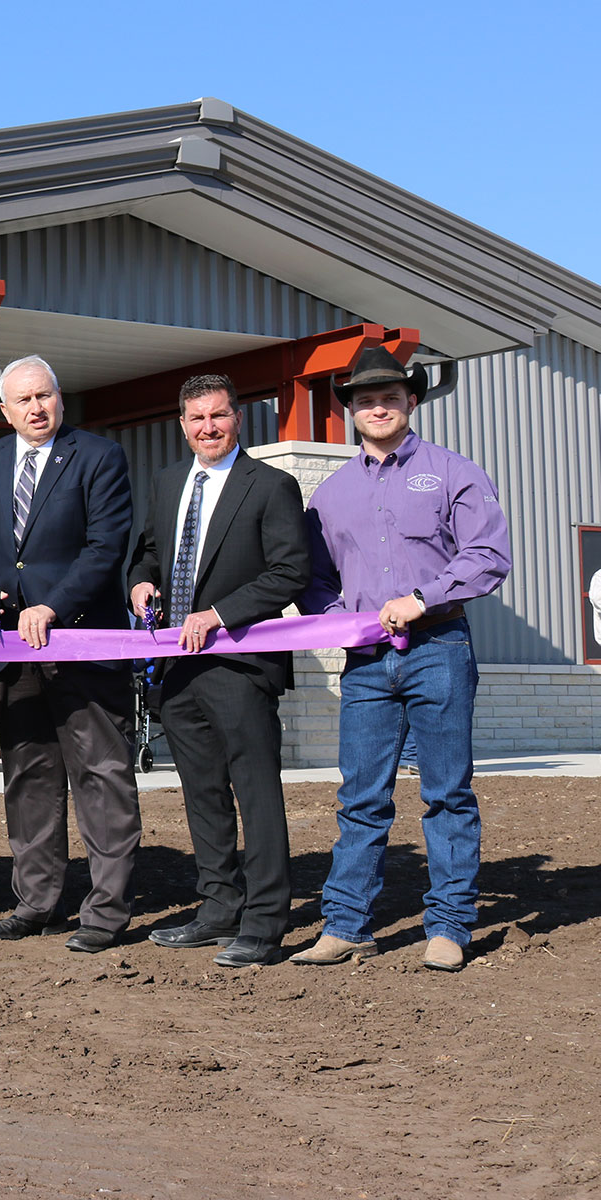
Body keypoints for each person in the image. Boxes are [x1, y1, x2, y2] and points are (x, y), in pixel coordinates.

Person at [294, 346, 511, 972]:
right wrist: (341, 620)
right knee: (360, 796)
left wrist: (422, 598)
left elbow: (487, 555)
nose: (377, 406)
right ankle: (345, 925)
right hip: (365, 662)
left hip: (439, 647)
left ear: (410, 400)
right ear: (350, 412)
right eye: (365, 399)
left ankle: (449, 926)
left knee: (446, 792)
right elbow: (315, 578)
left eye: (389, 396)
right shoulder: (331, 495)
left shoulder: (453, 473)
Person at [0, 355, 140, 953]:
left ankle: (106, 911)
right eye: (24, 400)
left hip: (82, 643)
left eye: (46, 396)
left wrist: (54, 606)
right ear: (4, 411)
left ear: (59, 398)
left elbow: (105, 546)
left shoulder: (98, 456)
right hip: (10, 648)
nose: (37, 409)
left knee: (101, 777)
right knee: (28, 778)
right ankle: (36, 902)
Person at [127, 374, 310, 968]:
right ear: (182, 425)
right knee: (202, 794)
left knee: (255, 794)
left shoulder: (272, 486)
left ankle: (264, 922)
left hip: (239, 664)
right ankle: (217, 909)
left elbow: (289, 572)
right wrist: (141, 580)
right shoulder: (167, 481)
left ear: (238, 419)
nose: (208, 427)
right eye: (196, 418)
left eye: (219, 416)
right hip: (176, 669)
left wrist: (219, 614)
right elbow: (151, 549)